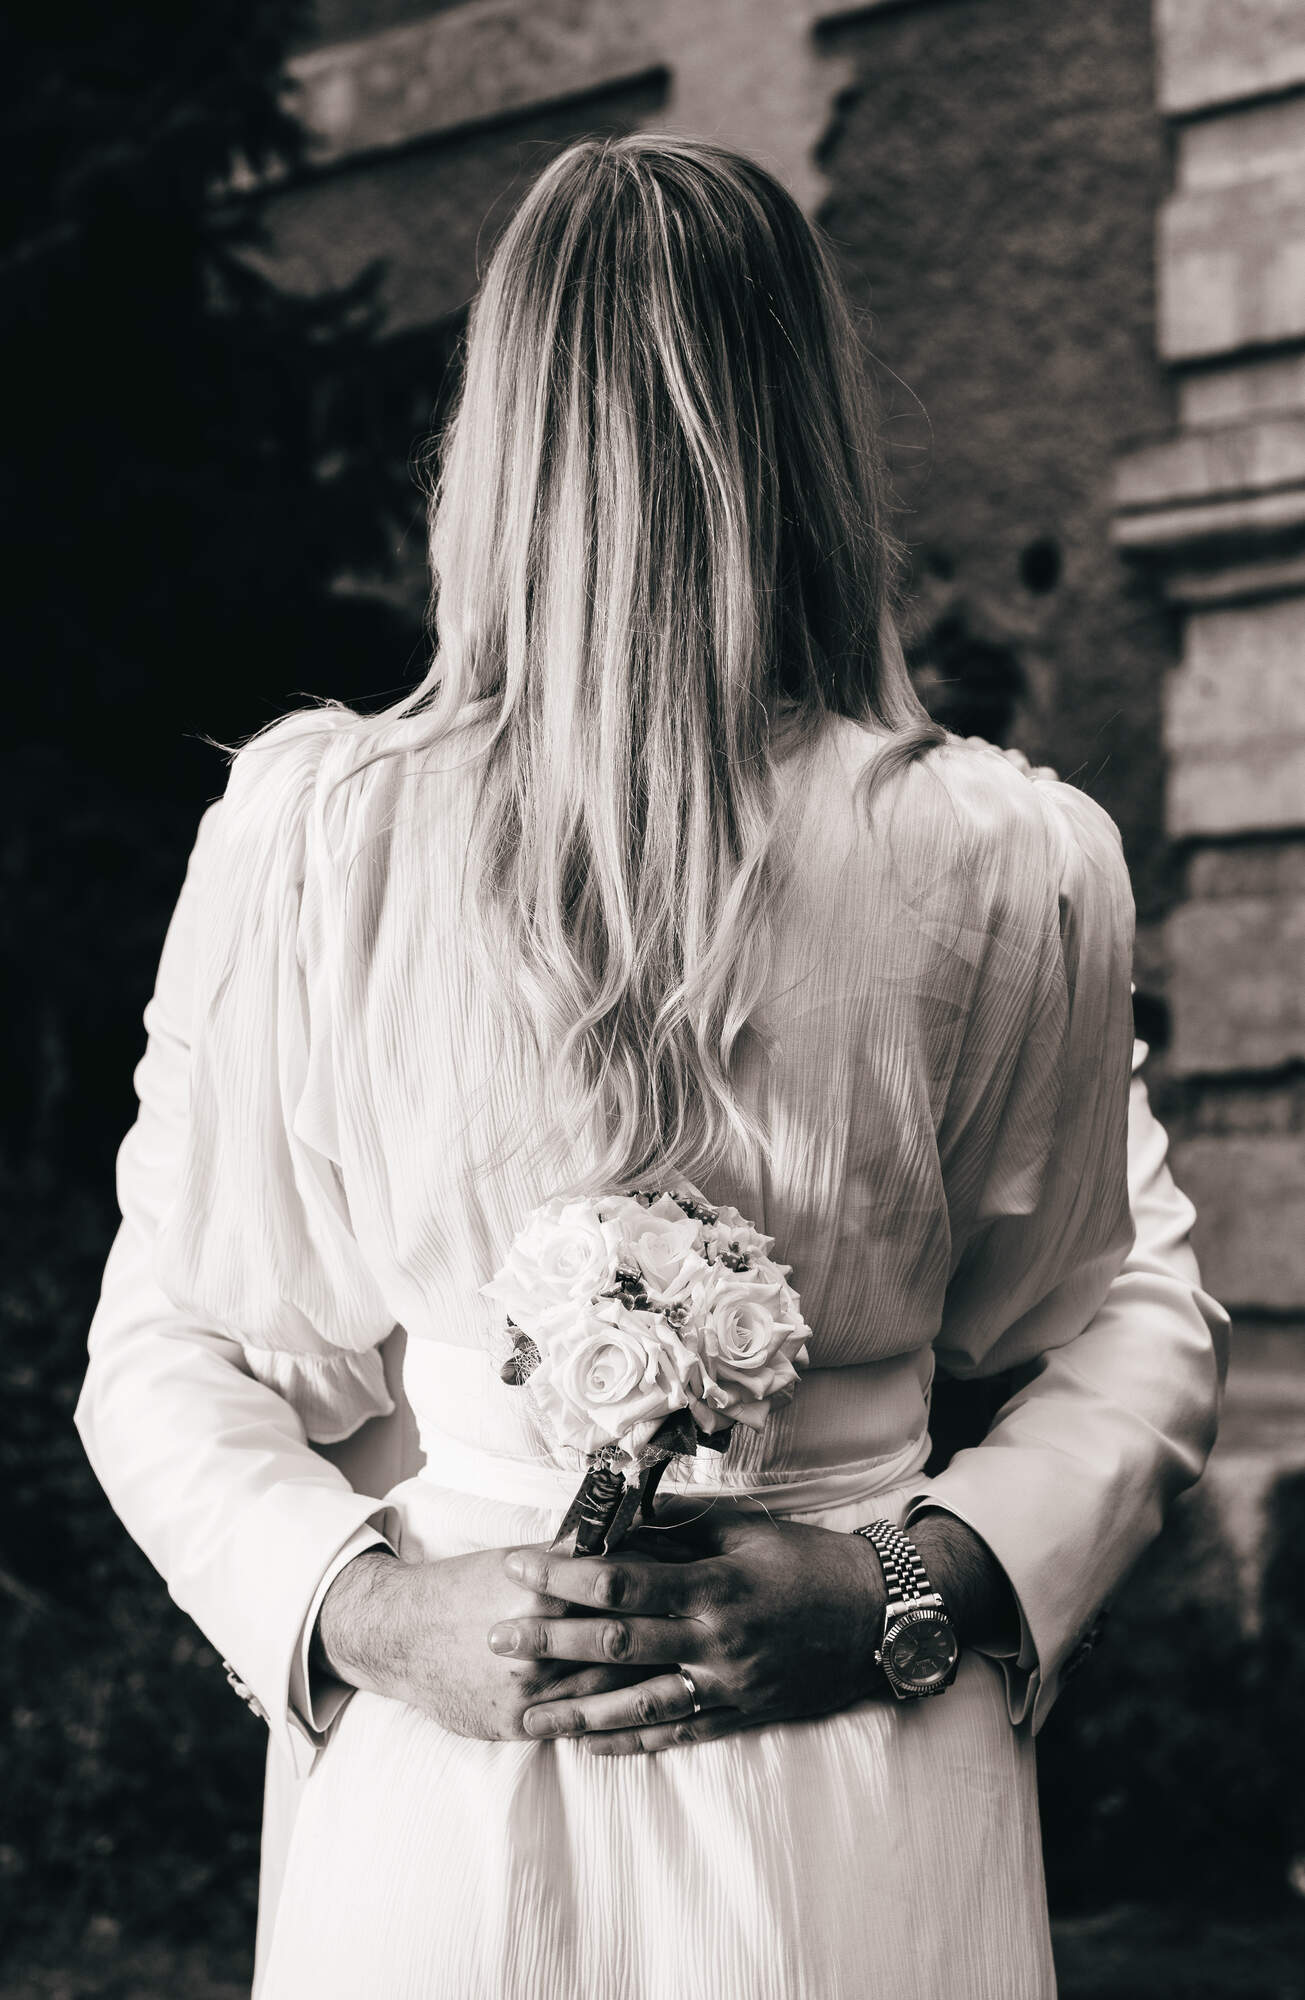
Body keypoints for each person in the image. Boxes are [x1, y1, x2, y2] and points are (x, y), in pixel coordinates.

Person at [75, 135, 1228, 1999]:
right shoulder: (323, 844)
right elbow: (1125, 1316)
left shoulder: (1003, 867)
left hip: (777, 1776)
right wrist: (370, 1613)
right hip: (573, 1790)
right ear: (809, 428)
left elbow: (176, 1346)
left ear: (499, 428)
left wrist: (883, 1589)